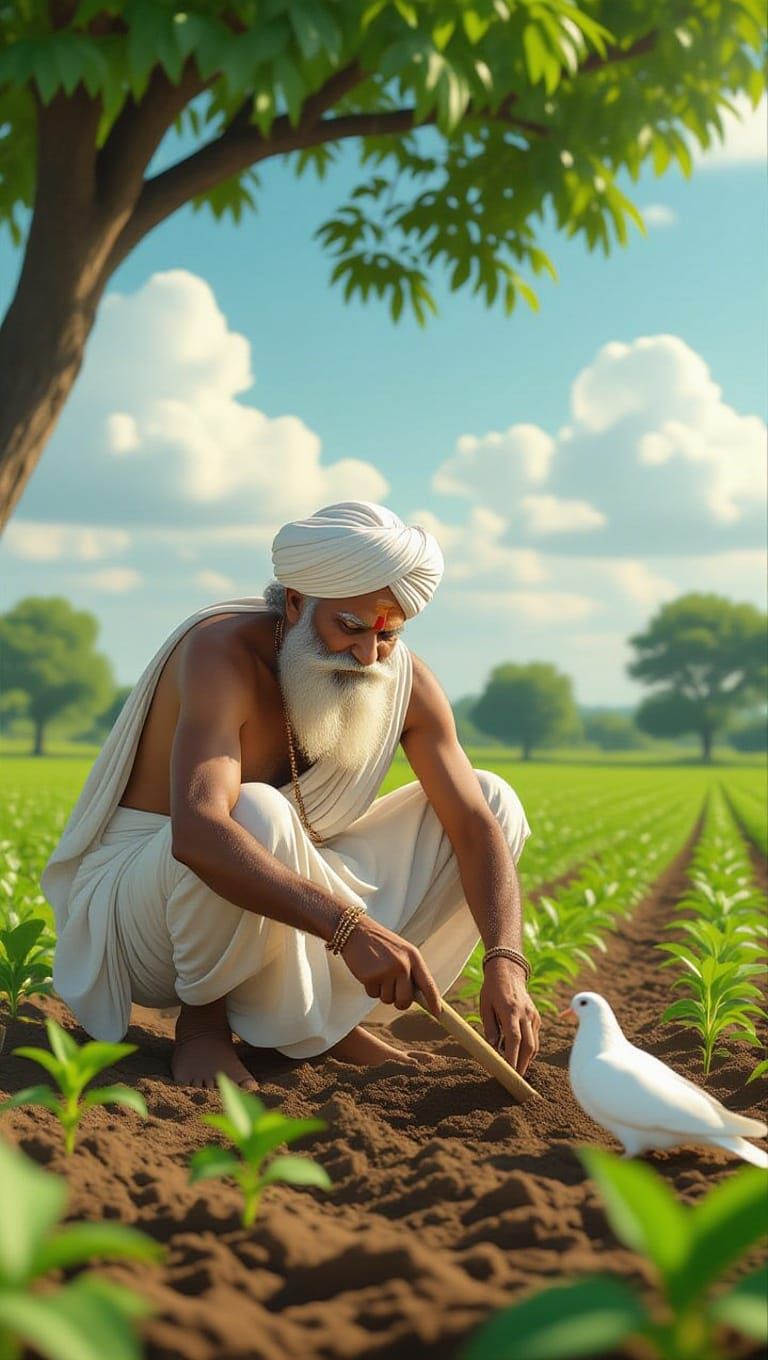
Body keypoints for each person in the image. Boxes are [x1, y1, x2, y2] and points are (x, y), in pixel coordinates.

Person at [42, 501, 539, 1089]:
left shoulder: (402, 679)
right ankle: (203, 1025)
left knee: (494, 799)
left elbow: (474, 826)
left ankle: (316, 1025)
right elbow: (198, 832)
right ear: (297, 603)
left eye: (389, 634)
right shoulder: (220, 652)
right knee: (254, 809)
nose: (369, 655)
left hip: (279, 894)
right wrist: (351, 929)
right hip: (144, 915)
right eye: (351, 627)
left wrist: (506, 962)